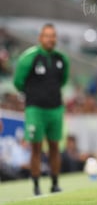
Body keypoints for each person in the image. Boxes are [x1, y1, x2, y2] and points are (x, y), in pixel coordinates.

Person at [13, 24, 69, 195]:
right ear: (40, 38)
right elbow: (18, 82)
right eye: (47, 36)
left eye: (53, 36)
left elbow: (63, 80)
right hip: (35, 110)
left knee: (54, 147)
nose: (50, 39)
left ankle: (55, 183)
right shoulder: (29, 57)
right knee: (36, 148)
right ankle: (36, 185)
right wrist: (34, 94)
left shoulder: (61, 58)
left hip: (56, 109)